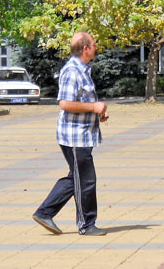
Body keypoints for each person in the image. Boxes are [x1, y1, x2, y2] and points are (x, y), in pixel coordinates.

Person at [32, 31, 109, 236]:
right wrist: (93, 107)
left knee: (77, 177)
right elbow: (65, 103)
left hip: (81, 134)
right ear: (85, 48)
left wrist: (97, 112)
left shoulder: (83, 70)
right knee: (86, 180)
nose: (96, 47)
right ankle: (86, 225)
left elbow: (81, 100)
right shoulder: (72, 71)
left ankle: (44, 212)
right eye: (94, 44)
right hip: (74, 137)